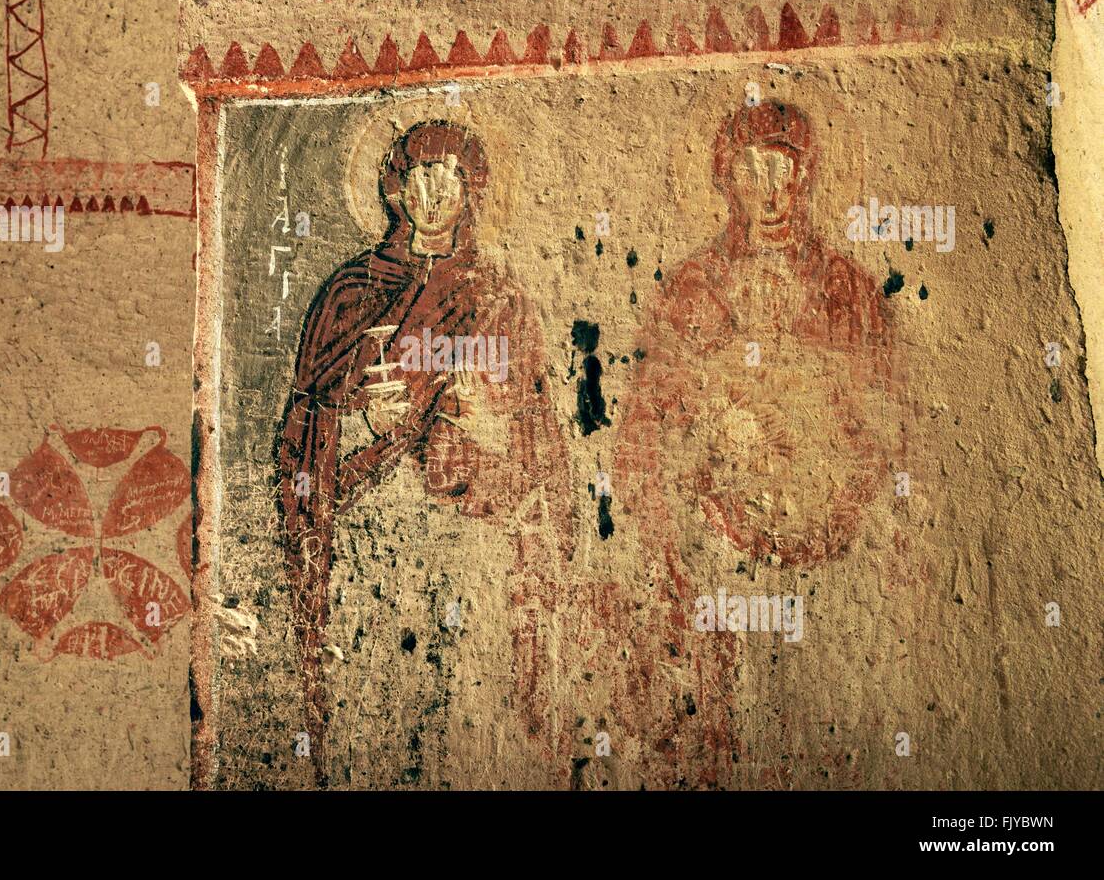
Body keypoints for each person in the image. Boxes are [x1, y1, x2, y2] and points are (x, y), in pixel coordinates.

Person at [611, 101, 901, 787]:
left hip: (833, 558)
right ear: (727, 180)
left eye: (783, 167)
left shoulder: (848, 289)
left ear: (804, 176)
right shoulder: (692, 288)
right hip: (718, 557)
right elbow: (646, 433)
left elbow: (886, 429)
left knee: (834, 729)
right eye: (752, 169)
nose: (770, 186)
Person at [275, 121, 574, 781]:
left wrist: (478, 414)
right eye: (420, 177)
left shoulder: (497, 295)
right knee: (378, 685)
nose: (434, 193)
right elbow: (307, 419)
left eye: (450, 179)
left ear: (472, 194)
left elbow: (534, 424)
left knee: (464, 694)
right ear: (396, 187)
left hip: (467, 529)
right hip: (371, 526)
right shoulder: (350, 291)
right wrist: (361, 415)